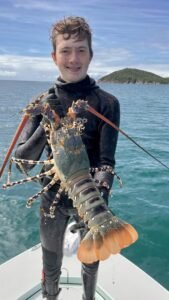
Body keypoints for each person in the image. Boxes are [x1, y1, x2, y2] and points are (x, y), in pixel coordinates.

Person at [15, 16, 120, 300]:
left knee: (91, 261)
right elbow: (22, 163)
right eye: (66, 50)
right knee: (50, 265)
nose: (73, 58)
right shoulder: (43, 103)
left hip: (93, 197)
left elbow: (107, 161)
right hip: (53, 202)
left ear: (90, 54)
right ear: (54, 56)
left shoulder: (107, 103)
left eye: (81, 49)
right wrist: (42, 121)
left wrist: (98, 194)